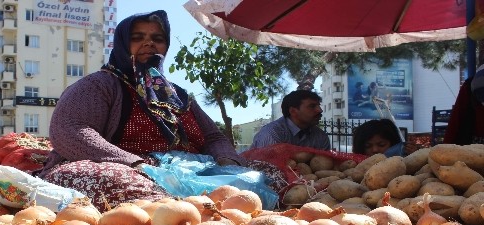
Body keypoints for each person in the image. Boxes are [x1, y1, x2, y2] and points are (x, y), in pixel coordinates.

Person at [34, 10, 284, 210]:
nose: (148, 43)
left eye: (157, 38)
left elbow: (213, 136)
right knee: (115, 182)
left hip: (187, 169)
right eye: (137, 37)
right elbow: (69, 129)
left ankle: (199, 209)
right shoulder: (99, 85)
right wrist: (135, 164)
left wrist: (228, 161)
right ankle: (180, 215)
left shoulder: (178, 94)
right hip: (129, 168)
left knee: (268, 174)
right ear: (122, 42)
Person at [250, 90, 331, 150]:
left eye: (318, 105)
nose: (320, 110)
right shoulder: (272, 133)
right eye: (312, 106)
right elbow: (268, 169)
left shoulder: (320, 136)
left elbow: (326, 167)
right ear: (293, 111)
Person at [443, 65, 484, 144]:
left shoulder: (470, 84)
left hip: (473, 146)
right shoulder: (468, 86)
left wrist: (446, 146)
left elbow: (455, 122)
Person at [352, 119, 419, 156]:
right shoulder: (354, 167)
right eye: (368, 146)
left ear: (393, 144)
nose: (375, 150)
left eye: (381, 145)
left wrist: (414, 157)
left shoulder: (403, 163)